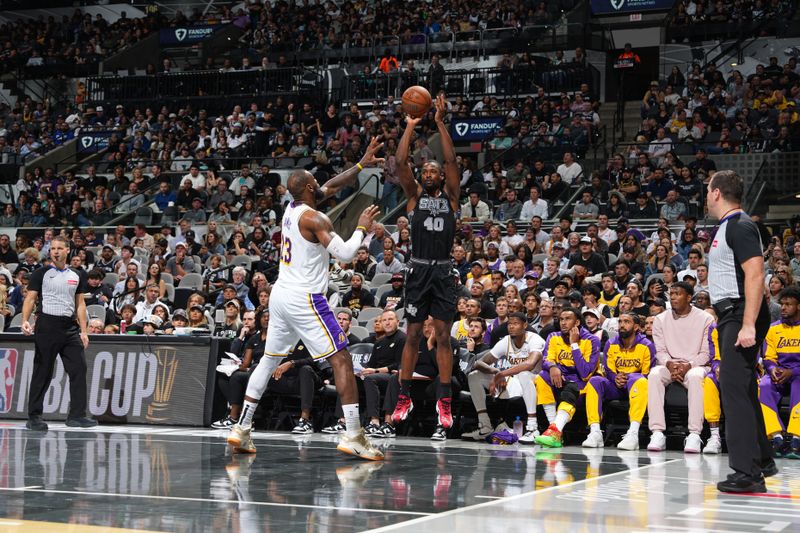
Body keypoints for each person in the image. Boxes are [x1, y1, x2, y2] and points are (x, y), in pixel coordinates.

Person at [226, 136, 386, 461]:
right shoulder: (316, 219)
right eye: (315, 180)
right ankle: (354, 434)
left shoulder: (293, 207)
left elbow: (331, 184)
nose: (319, 182)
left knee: (269, 359)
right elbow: (344, 253)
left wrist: (360, 164)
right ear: (309, 187)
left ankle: (241, 428)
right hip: (305, 298)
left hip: (280, 295)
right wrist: (361, 228)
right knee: (341, 358)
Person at [392, 95, 460, 441]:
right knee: (415, 335)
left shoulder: (451, 198)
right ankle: (404, 397)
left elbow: (450, 159)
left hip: (444, 271)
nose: (431, 172)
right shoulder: (414, 197)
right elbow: (401, 161)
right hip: (419, 271)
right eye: (427, 171)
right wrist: (410, 126)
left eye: (435, 170)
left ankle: (444, 401)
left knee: (444, 336)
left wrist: (441, 122)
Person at [706, 170, 775, 493]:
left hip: (739, 314)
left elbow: (756, 273)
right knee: (743, 388)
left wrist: (748, 323)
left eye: (708, 190)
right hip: (731, 312)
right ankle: (762, 459)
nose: (706, 196)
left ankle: (747, 473)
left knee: (732, 390)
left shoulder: (741, 225)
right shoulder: (728, 227)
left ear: (717, 193)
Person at [20, 235, 97, 430]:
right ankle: (34, 417)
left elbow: (80, 304)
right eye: (53, 248)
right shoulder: (41, 273)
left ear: (67, 251)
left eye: (59, 248)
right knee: (43, 371)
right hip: (47, 326)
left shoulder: (77, 275)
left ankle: (77, 416)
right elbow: (30, 299)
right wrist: (25, 321)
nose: (55, 251)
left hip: (70, 328)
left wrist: (84, 331)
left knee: (79, 368)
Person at [646, 282, 713, 454]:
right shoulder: (660, 319)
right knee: (654, 374)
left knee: (696, 376)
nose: (673, 297)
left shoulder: (706, 318)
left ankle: (694, 434)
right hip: (670, 364)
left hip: (696, 365)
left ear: (689, 298)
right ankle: (657, 432)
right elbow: (660, 351)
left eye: (677, 294)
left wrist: (688, 366)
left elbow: (707, 353)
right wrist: (670, 364)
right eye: (671, 294)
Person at [461, 313, 544, 443]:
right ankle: (485, 426)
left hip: (536, 380)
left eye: (515, 324)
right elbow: (479, 363)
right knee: (474, 376)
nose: (511, 327)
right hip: (513, 379)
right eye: (509, 324)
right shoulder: (506, 340)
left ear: (525, 325)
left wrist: (501, 374)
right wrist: (495, 371)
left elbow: (530, 364)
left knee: (523, 374)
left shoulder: (535, 339)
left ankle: (532, 428)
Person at [583, 313, 655, 450]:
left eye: (626, 322)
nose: (622, 325)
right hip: (615, 385)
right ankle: (595, 432)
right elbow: (608, 369)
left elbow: (646, 373)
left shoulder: (647, 345)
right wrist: (615, 378)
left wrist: (627, 377)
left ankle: (633, 433)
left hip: (635, 387)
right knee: (595, 381)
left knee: (640, 380)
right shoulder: (611, 343)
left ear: (636, 327)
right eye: (620, 321)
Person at [535, 308, 601, 448]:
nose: (563, 323)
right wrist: (553, 367)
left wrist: (574, 344)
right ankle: (553, 430)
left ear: (577, 322)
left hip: (582, 384)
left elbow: (585, 373)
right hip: (561, 379)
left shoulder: (592, 340)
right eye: (561, 319)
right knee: (541, 377)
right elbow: (546, 360)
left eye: (567, 319)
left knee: (571, 388)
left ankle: (554, 432)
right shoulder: (553, 336)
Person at [759, 287, 800, 459]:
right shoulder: (773, 328)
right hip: (780, 373)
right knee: (764, 385)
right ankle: (776, 437)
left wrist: (793, 371)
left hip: (797, 374)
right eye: (782, 304)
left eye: (788, 304)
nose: (783, 308)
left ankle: (797, 439)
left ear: (798, 307)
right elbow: (768, 357)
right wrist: (773, 369)